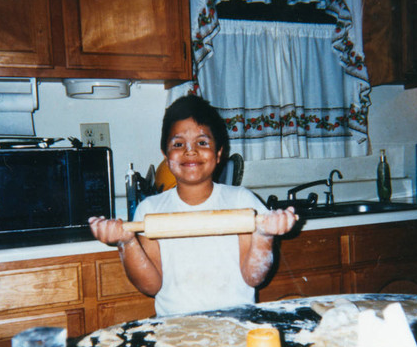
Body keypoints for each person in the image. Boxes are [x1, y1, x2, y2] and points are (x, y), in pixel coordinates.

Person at [89, 95, 297, 316]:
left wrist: (265, 235)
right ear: (166, 155)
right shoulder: (150, 210)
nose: (191, 151)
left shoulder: (242, 202)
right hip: (175, 325)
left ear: (219, 154)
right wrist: (126, 242)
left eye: (202, 142)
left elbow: (254, 277)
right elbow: (150, 287)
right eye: (178, 144)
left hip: (236, 321)